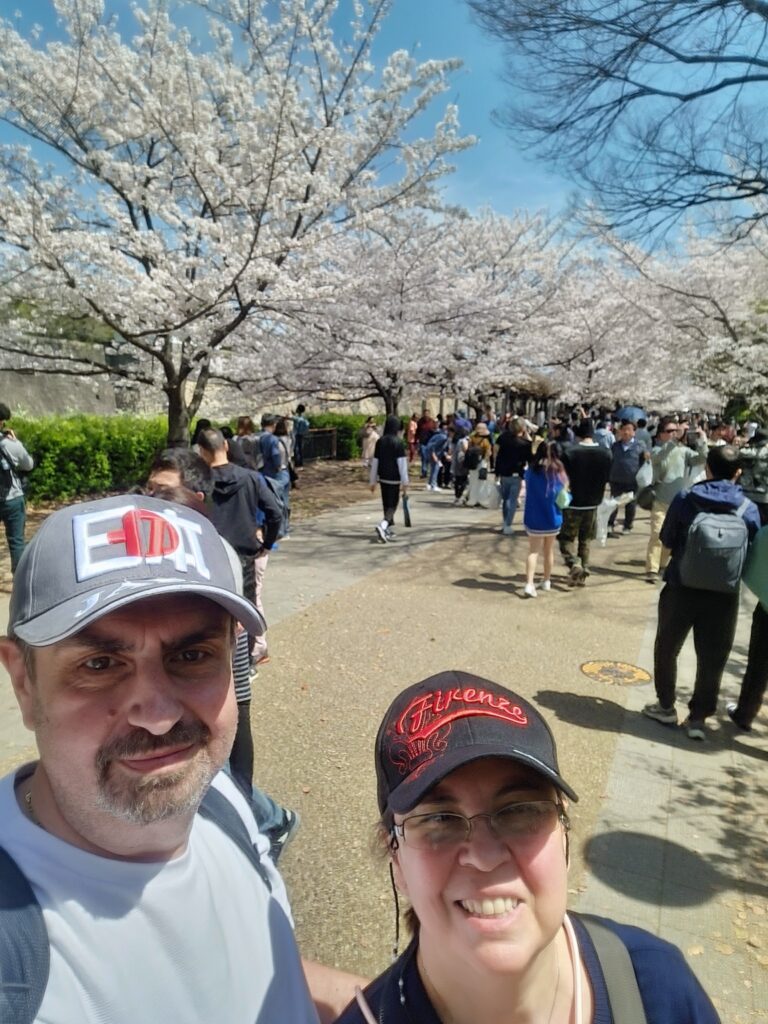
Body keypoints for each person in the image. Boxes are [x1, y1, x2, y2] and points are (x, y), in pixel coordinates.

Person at [0, 494, 365, 1023]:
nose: (160, 716)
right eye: (100, 663)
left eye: (192, 656)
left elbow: (261, 965)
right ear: (24, 683)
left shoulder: (218, 798)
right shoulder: (19, 966)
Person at [336, 670, 719, 1024]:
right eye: (438, 820)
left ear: (564, 832)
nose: (484, 857)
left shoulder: (657, 989)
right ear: (396, 859)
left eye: (519, 811)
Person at [643, 446, 760, 740]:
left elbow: (667, 537)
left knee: (668, 647)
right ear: (738, 473)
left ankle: (666, 706)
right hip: (724, 595)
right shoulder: (748, 508)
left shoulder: (686, 498)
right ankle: (697, 719)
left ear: (706, 468)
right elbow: (751, 551)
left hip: (682, 586)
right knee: (713, 658)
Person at [645, 417, 708, 584]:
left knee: (669, 534)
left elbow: (702, 458)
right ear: (661, 434)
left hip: (677, 501)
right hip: (660, 499)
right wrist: (674, 440)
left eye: (675, 430)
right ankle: (651, 568)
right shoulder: (657, 450)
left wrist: (702, 439)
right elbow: (659, 458)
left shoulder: (684, 451)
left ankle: (662, 565)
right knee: (656, 533)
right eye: (669, 431)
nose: (673, 434)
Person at [559, 419, 612, 585]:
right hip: (593, 501)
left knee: (566, 538)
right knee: (586, 539)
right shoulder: (606, 453)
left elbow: (562, 477)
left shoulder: (569, 452)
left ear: (578, 434)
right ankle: (583, 569)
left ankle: (574, 563)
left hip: (572, 501)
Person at [522, 441, 568, 598]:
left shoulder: (530, 471)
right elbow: (563, 495)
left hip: (534, 517)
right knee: (549, 550)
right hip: (553, 517)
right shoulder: (559, 472)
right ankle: (547, 580)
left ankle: (529, 583)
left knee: (533, 551)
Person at [0, 402, 34, 573]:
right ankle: (20, 581)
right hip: (12, 499)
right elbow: (28, 465)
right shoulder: (10, 444)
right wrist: (16, 441)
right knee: (16, 542)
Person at [369, 415, 409, 543]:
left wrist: (372, 480)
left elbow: (375, 461)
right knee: (393, 505)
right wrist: (405, 482)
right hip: (394, 478)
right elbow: (402, 464)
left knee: (386, 503)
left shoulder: (380, 441)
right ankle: (383, 525)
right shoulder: (398, 443)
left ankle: (387, 529)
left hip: (383, 477)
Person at [607, 420, 649, 534]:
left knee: (630, 504)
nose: (626, 432)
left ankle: (627, 526)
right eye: (623, 429)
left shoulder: (640, 446)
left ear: (634, 432)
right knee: (614, 503)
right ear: (620, 431)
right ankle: (609, 524)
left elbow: (645, 462)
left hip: (632, 480)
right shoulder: (615, 446)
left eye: (629, 430)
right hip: (616, 479)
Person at [494, 417, 531, 534]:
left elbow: (496, 453)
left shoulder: (503, 438)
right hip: (517, 473)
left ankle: (505, 522)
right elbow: (532, 452)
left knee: (506, 499)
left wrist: (497, 471)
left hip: (504, 472)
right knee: (512, 499)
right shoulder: (525, 444)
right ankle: (508, 524)